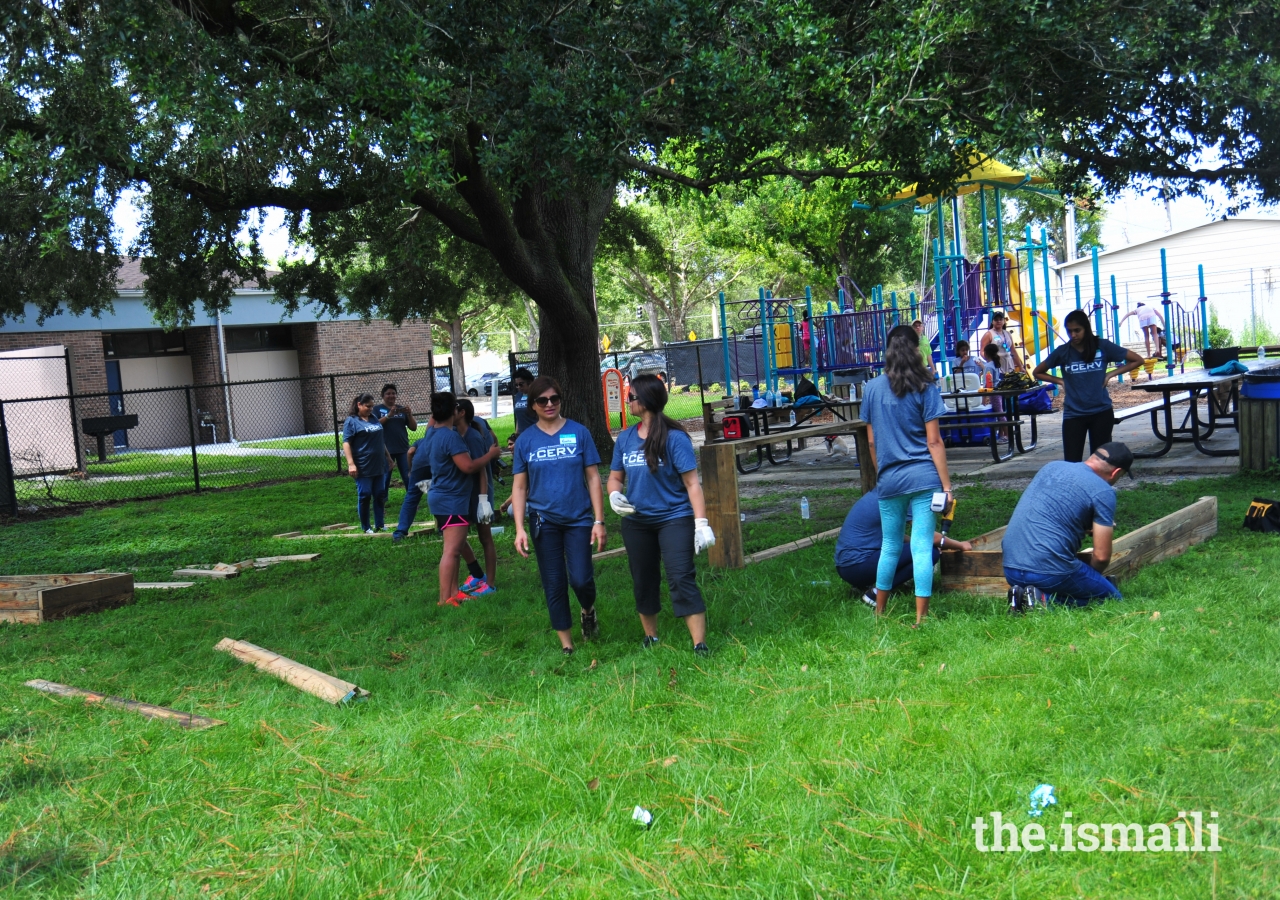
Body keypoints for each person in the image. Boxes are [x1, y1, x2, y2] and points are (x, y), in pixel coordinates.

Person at [607, 374, 716, 655]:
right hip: (637, 521)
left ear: (643, 401)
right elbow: (615, 477)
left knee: (681, 577)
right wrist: (614, 495)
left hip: (673, 518)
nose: (628, 401)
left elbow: (692, 483)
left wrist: (701, 523)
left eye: (630, 397)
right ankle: (651, 637)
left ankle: (699, 644)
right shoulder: (626, 438)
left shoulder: (675, 439)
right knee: (643, 579)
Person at [861, 324, 953, 627]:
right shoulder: (927, 387)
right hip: (924, 478)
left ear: (887, 350)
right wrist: (947, 486)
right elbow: (934, 442)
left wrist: (882, 474)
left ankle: (879, 614)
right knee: (921, 545)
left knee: (889, 546)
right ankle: (920, 618)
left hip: (889, 479)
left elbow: (872, 442)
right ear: (917, 350)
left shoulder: (871, 389)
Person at [511, 376, 608, 654]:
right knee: (554, 583)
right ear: (533, 406)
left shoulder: (579, 433)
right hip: (544, 520)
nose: (549, 404)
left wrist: (599, 520)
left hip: (579, 519)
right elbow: (519, 486)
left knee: (580, 579)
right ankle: (567, 645)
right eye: (542, 400)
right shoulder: (526, 441)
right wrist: (519, 527)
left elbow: (592, 478)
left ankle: (587, 610)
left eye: (554, 398)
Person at [1002, 443, 1134, 607]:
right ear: (1116, 473)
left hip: (1010, 569)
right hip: (1049, 572)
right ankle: (1043, 600)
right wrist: (1093, 578)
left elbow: (1054, 514)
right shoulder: (1103, 491)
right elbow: (1101, 557)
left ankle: (1021, 595)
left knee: (1052, 581)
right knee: (1112, 600)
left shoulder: (1051, 467)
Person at [1033, 309, 1144, 462]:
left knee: (1101, 462)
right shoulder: (1063, 352)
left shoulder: (1102, 346)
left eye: (1077, 330)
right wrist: (1060, 381)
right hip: (1074, 414)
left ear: (1086, 328)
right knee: (1072, 462)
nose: (1073, 335)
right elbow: (1037, 372)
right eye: (1069, 331)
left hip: (1101, 412)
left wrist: (1110, 374)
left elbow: (1137, 360)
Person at [835, 488, 972, 607]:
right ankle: (875, 594)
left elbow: (894, 536)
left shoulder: (882, 494)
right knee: (930, 552)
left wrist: (917, 542)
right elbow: (928, 536)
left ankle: (863, 586)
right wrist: (961, 545)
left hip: (846, 569)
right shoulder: (902, 496)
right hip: (859, 565)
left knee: (916, 548)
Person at [426, 391, 501, 607]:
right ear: (453, 411)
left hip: (441, 498)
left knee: (454, 549)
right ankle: (445, 599)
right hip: (452, 500)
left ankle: (453, 593)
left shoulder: (433, 432)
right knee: (452, 551)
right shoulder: (450, 437)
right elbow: (468, 466)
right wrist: (490, 455)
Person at [456, 398, 498, 594]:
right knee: (456, 536)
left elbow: (481, 470)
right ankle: (477, 575)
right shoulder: (455, 434)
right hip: (464, 493)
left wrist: (483, 501)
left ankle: (490, 583)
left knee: (485, 537)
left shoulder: (472, 436)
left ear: (462, 413)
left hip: (480, 493)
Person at [341, 393, 393, 534]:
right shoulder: (352, 421)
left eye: (372, 406)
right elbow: (346, 443)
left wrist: (388, 457)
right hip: (363, 465)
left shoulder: (374, 418)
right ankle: (366, 527)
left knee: (380, 493)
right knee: (365, 494)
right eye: (367, 406)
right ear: (359, 405)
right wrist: (351, 463)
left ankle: (380, 524)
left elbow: (380, 441)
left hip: (378, 464)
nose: (371, 409)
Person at [500, 367, 537, 515]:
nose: (518, 387)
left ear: (530, 382)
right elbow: (518, 420)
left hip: (533, 439)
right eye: (516, 385)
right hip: (521, 439)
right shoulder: (518, 397)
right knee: (522, 473)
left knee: (532, 472)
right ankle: (519, 499)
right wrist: (515, 436)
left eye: (521, 384)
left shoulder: (536, 397)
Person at [375, 383, 417, 493]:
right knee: (385, 478)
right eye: (388, 393)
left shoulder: (400, 409)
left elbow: (413, 427)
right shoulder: (377, 409)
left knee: (408, 476)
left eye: (393, 393)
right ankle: (381, 503)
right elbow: (375, 425)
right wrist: (389, 415)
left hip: (403, 448)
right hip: (385, 449)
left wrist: (409, 414)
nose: (391, 396)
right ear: (383, 395)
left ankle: (411, 501)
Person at [979, 310, 1024, 374]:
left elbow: (1013, 351)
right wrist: (990, 361)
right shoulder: (988, 334)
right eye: (996, 320)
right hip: (996, 366)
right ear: (992, 322)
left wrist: (1020, 366)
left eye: (1000, 319)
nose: (999, 321)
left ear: (1004, 321)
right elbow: (982, 351)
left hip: (1009, 366)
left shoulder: (1007, 334)